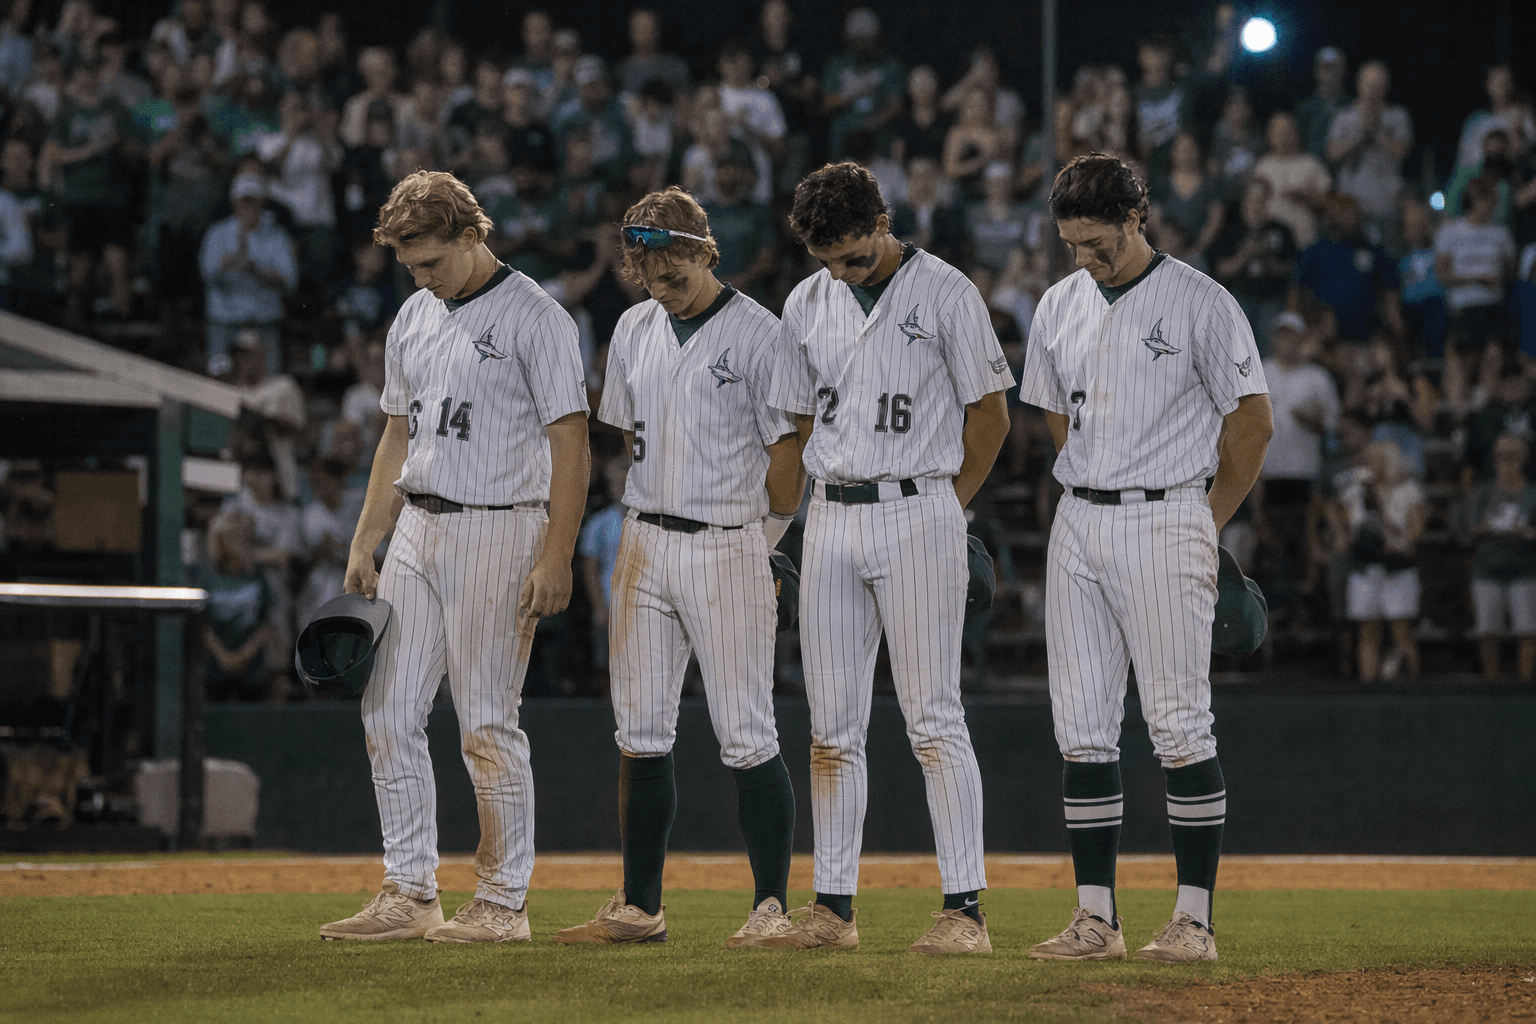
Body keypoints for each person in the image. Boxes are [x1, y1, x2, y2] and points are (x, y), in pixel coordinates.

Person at [320, 170, 591, 943]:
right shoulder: (413, 314)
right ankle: (410, 890)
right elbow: (396, 434)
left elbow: (570, 442)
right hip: (420, 524)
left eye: (431, 260)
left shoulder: (536, 316)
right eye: (410, 264)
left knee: (485, 723)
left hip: (501, 528)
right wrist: (367, 535)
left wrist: (558, 554)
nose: (421, 276)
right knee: (388, 710)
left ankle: (504, 902)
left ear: (472, 234)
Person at [1017, 153, 1272, 963]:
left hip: (1168, 515)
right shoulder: (1060, 303)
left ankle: (1193, 922)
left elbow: (1254, 424)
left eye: (1098, 242)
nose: (1085, 259)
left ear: (1136, 219)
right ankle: (1097, 919)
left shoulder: (1201, 299)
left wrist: (1205, 522)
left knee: (1178, 725)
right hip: (1081, 521)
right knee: (1083, 730)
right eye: (1072, 244)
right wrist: (1093, 482)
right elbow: (1059, 418)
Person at [766, 161, 1013, 955]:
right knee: (831, 728)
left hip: (918, 506)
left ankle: (964, 911)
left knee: (933, 718)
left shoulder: (946, 291)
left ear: (882, 219)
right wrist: (777, 531)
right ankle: (832, 909)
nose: (842, 270)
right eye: (828, 258)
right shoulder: (807, 301)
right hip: (831, 514)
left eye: (855, 254)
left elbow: (991, 416)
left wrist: (950, 507)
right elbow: (796, 426)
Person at [552, 187, 801, 948]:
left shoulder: (762, 333)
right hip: (645, 536)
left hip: (729, 537)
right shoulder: (633, 327)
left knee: (746, 730)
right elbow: (627, 437)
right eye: (650, 276)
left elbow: (788, 458)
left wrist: (766, 544)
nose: (664, 287)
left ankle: (771, 907)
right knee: (641, 729)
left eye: (675, 272)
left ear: (704, 249)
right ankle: (639, 904)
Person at [1254, 312, 1339, 619]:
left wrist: (1313, 422)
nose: (1286, 341)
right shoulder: (1260, 371)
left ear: (1302, 340)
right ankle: (1272, 610)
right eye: (1282, 335)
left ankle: (1304, 609)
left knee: (1305, 544)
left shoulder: (1318, 377)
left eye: (1292, 336)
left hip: (1305, 475)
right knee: (1269, 546)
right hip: (1268, 474)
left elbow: (1333, 425)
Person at [1333, 440, 1426, 682]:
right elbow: (1340, 515)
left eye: (1376, 460)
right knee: (1367, 630)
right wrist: (1345, 536)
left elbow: (1415, 530)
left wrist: (1396, 540)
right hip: (1365, 567)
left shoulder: (1408, 490)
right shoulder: (1355, 491)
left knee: (1401, 631)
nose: (1370, 465)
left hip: (1398, 567)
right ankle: (1368, 682)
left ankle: (1410, 683)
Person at [200, 173, 298, 376]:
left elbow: (290, 281)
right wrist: (226, 265)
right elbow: (207, 274)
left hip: (263, 323)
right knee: (219, 381)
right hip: (224, 324)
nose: (248, 209)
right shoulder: (217, 233)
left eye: (253, 203)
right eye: (244, 203)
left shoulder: (276, 236)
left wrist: (258, 272)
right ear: (234, 203)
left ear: (262, 204)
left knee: (269, 384)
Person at [1462, 434, 1536, 682]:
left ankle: (1525, 682)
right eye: (1501, 457)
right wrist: (1494, 529)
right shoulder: (1484, 492)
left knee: (1527, 630)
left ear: (1524, 459)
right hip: (1487, 570)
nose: (1506, 463)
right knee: (1487, 629)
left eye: (1512, 457)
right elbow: (1471, 527)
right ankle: (1491, 682)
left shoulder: (1532, 494)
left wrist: (1524, 533)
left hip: (1525, 571)